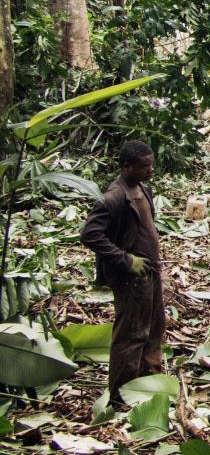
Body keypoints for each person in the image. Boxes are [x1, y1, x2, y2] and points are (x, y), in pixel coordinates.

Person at [80, 140, 164, 406]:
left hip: (150, 272)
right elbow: (90, 234)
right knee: (130, 335)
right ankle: (121, 395)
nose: (150, 169)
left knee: (154, 327)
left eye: (151, 164)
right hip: (131, 277)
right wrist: (126, 260)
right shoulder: (113, 198)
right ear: (126, 166)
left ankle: (148, 380)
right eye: (144, 166)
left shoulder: (142, 189)